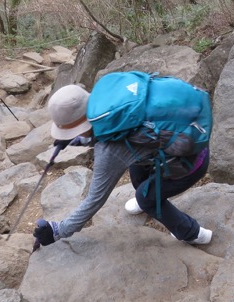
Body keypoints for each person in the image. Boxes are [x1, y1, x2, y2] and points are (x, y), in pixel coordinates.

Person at [32, 84, 212, 250]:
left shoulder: (110, 152)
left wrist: (58, 231)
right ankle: (146, 197)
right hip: (183, 132)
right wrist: (77, 139)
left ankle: (193, 234)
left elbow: (95, 199)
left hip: (190, 163)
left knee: (146, 198)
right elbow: (101, 130)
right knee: (137, 173)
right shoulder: (107, 93)